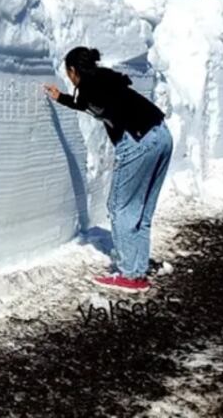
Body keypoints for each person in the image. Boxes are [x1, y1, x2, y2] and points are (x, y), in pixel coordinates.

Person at [43, 47, 173, 293]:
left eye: (67, 73)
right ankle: (138, 268)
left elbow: (92, 102)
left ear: (72, 71)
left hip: (138, 140)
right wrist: (61, 97)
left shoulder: (91, 86)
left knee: (119, 206)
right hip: (162, 135)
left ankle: (129, 274)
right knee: (141, 208)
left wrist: (72, 98)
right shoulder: (102, 79)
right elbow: (91, 105)